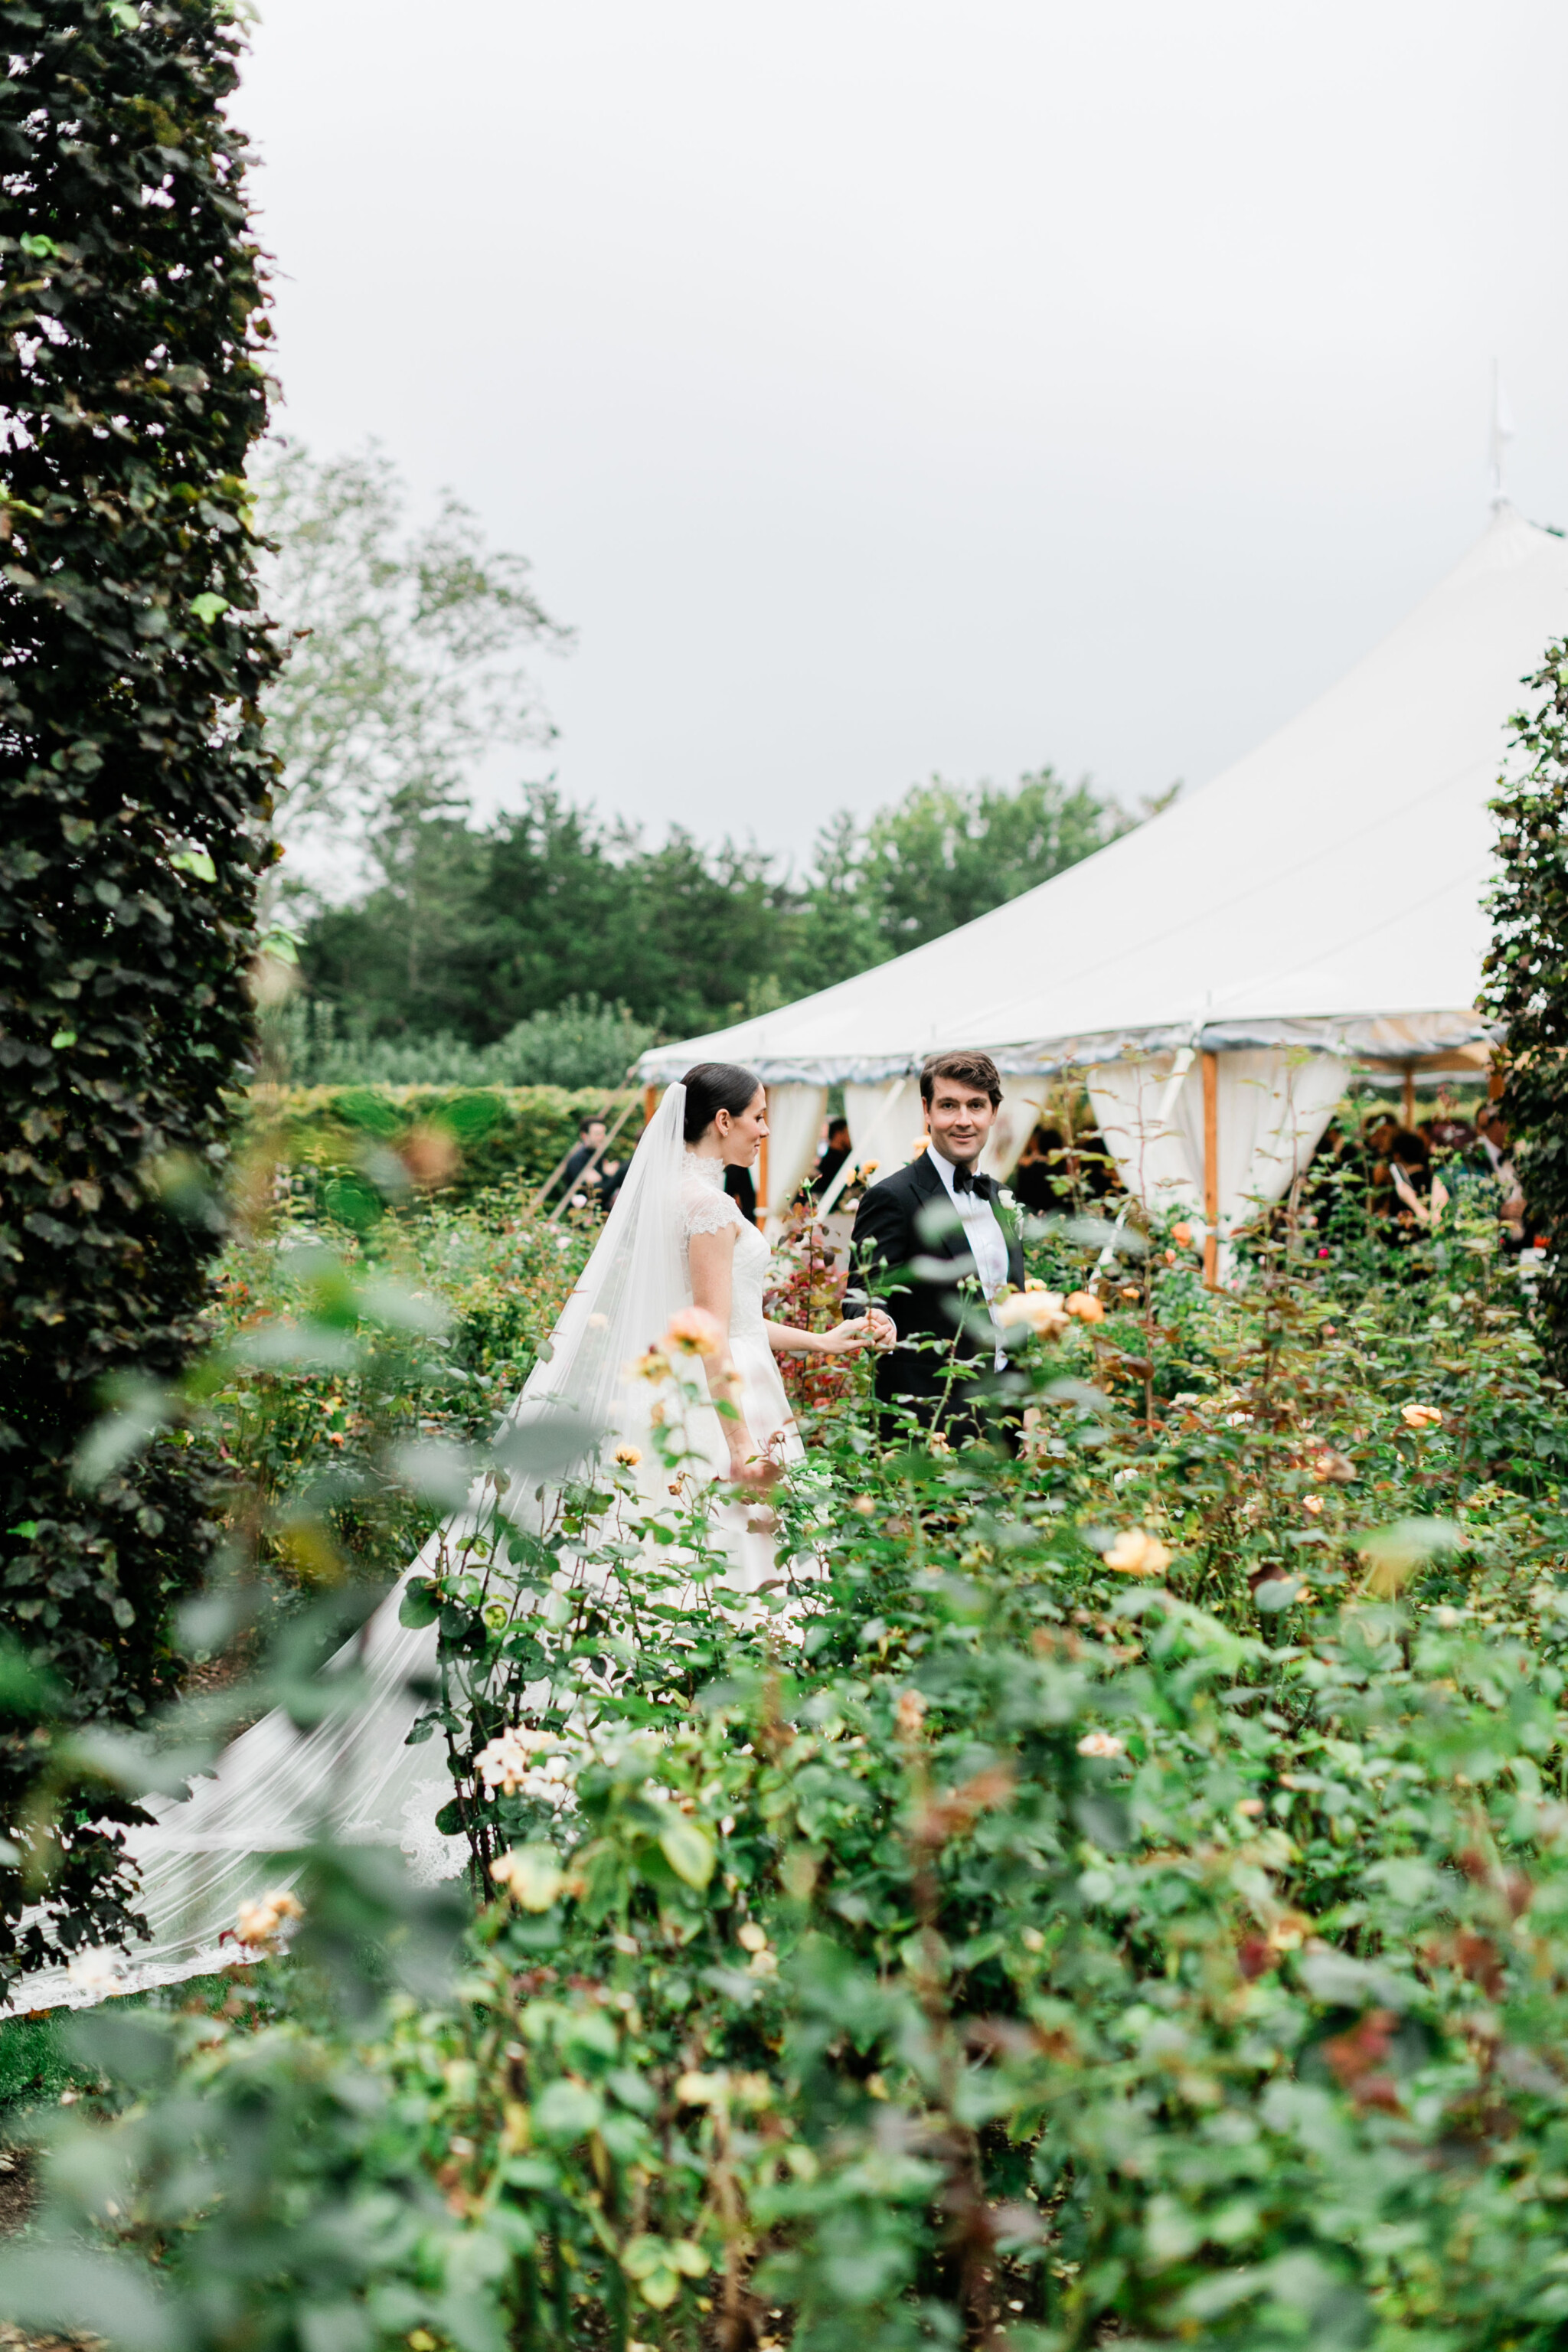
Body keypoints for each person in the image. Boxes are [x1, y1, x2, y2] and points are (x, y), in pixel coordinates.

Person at [16, 1066, 893, 2016]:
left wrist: (824, 1342)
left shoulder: (690, 1199)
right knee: (703, 1582)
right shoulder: (708, 1209)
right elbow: (712, 1344)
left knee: (650, 1584)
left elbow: (728, 1328)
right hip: (709, 1430)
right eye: (760, 1119)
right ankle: (676, 1794)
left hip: (679, 1414)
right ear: (720, 1121)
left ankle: (643, 1786)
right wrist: (739, 1455)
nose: (768, 1132)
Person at [849, 1050, 1025, 1433]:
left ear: (993, 1113)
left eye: (976, 1106)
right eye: (949, 1105)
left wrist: (1030, 1412)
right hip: (927, 1418)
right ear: (927, 1111)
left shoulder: (1001, 1198)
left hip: (1004, 1422)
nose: (963, 1121)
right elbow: (861, 1298)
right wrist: (875, 1322)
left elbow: (1014, 1308)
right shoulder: (892, 1197)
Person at [1010, 1123, 1067, 1216]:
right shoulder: (1063, 1173)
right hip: (1056, 1219)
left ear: (1039, 1145)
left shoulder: (1025, 1171)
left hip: (1030, 1218)